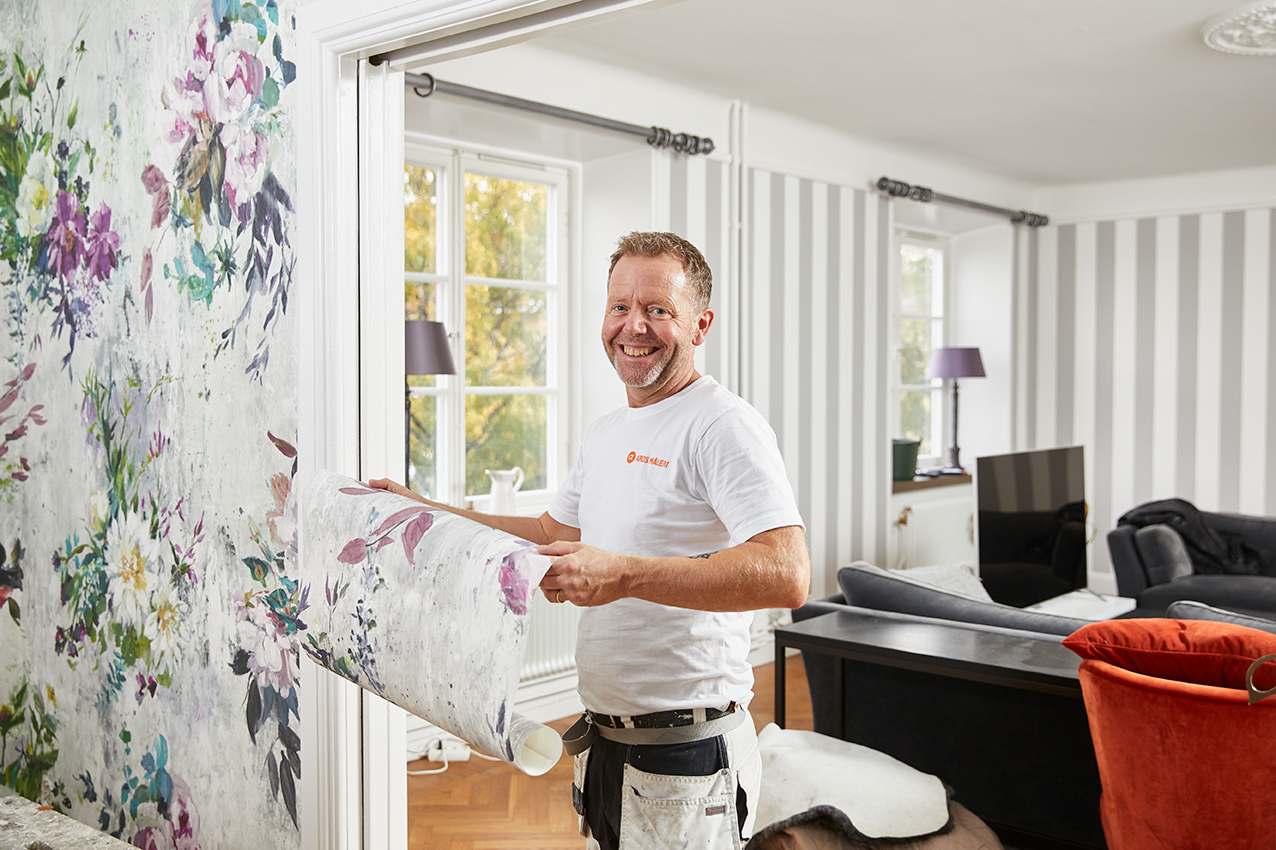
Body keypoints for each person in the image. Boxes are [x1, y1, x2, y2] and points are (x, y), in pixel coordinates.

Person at [372, 231, 809, 849]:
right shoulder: (607, 431)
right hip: (605, 744)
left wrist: (622, 575)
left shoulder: (723, 425)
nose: (634, 326)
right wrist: (425, 511)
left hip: (686, 757)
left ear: (700, 325)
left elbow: (787, 572)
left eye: (658, 309)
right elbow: (549, 534)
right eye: (619, 306)